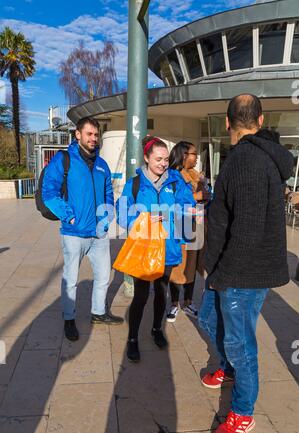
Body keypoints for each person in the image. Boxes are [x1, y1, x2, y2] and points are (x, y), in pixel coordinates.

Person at [198, 94, 294, 433]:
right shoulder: (246, 158)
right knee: (210, 320)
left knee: (241, 345)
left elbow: (248, 230)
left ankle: (242, 411)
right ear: (260, 118)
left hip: (240, 273)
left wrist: (219, 274)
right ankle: (227, 366)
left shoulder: (248, 161)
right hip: (230, 268)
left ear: (226, 122)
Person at [42, 117, 124, 342]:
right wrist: (68, 217)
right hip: (74, 233)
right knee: (71, 278)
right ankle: (69, 319)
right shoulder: (64, 159)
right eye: (89, 134)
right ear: (77, 134)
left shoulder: (102, 164)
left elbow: (108, 191)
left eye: (96, 135)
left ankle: (98, 313)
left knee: (103, 277)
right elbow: (49, 192)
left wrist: (107, 217)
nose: (93, 139)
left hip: (98, 234)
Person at [116, 136, 195, 362]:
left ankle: (156, 330)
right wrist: (143, 219)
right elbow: (122, 212)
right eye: (158, 159)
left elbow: (188, 205)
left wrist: (176, 213)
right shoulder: (135, 184)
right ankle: (132, 338)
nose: (163, 163)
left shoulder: (176, 181)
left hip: (168, 247)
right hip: (144, 248)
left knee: (162, 292)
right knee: (140, 295)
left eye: (166, 159)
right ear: (146, 158)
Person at [167, 141, 210, 322]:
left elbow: (208, 196)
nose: (196, 157)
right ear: (184, 155)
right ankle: (174, 304)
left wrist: (206, 192)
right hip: (180, 228)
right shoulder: (172, 176)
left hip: (197, 227)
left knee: (191, 266)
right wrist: (196, 197)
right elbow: (171, 203)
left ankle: (188, 301)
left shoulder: (196, 175)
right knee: (178, 267)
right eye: (194, 154)